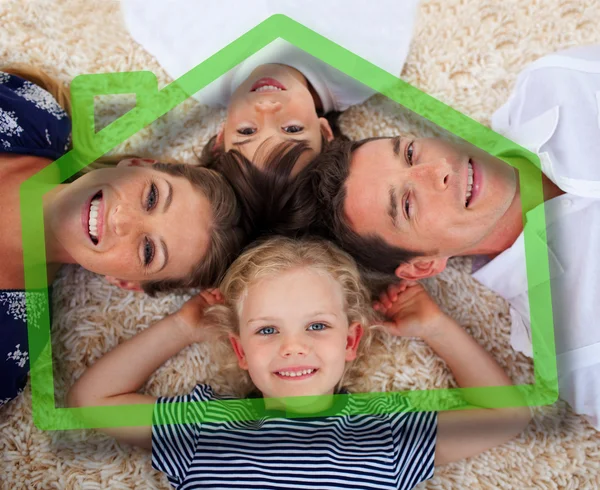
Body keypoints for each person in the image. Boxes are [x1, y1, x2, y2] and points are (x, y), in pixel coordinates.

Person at [68, 237, 530, 490]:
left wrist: (436, 328)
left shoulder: (387, 436)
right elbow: (93, 400)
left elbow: (505, 416)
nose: (293, 347)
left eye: (317, 327)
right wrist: (183, 326)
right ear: (242, 351)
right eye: (268, 330)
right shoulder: (205, 429)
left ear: (351, 340)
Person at [306, 44, 600, 429]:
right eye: (408, 205)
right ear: (424, 264)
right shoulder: (578, 352)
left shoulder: (554, 82)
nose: (439, 170)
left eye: (410, 153)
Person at [0, 66, 245, 409]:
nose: (123, 221)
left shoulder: (7, 347)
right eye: (151, 198)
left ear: (125, 281)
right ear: (138, 162)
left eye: (148, 250)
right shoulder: (31, 116)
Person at [120, 0, 420, 172]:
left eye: (246, 132)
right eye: (292, 129)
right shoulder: (363, 69)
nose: (266, 109)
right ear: (325, 133)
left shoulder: (205, 76)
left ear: (220, 137)